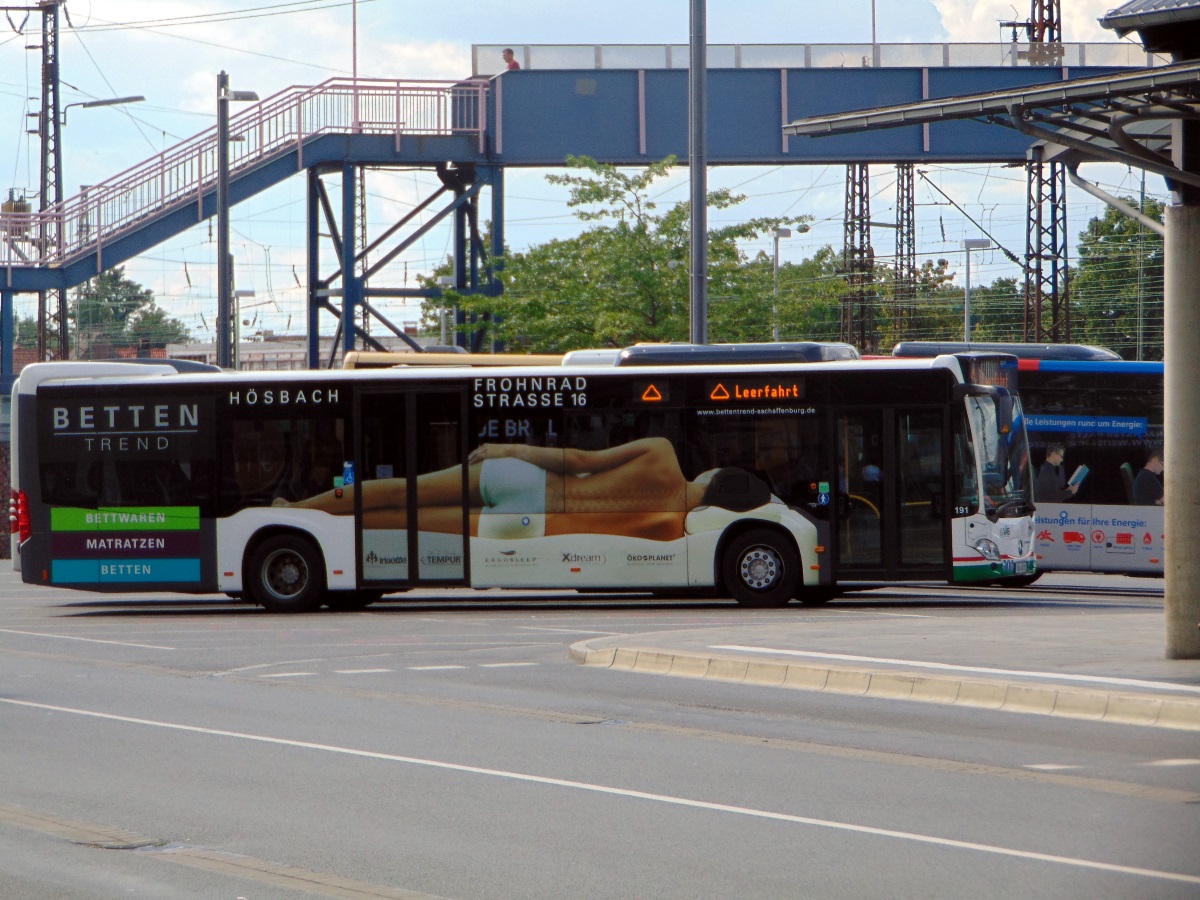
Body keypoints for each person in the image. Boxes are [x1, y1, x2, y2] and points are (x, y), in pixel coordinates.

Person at [283, 437, 773, 541]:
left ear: (712, 478)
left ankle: (297, 511)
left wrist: (506, 448)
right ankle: (311, 522)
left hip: (531, 480)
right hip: (529, 525)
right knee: (404, 521)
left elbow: (581, 461)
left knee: (399, 491)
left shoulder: (664, 453)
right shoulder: (672, 530)